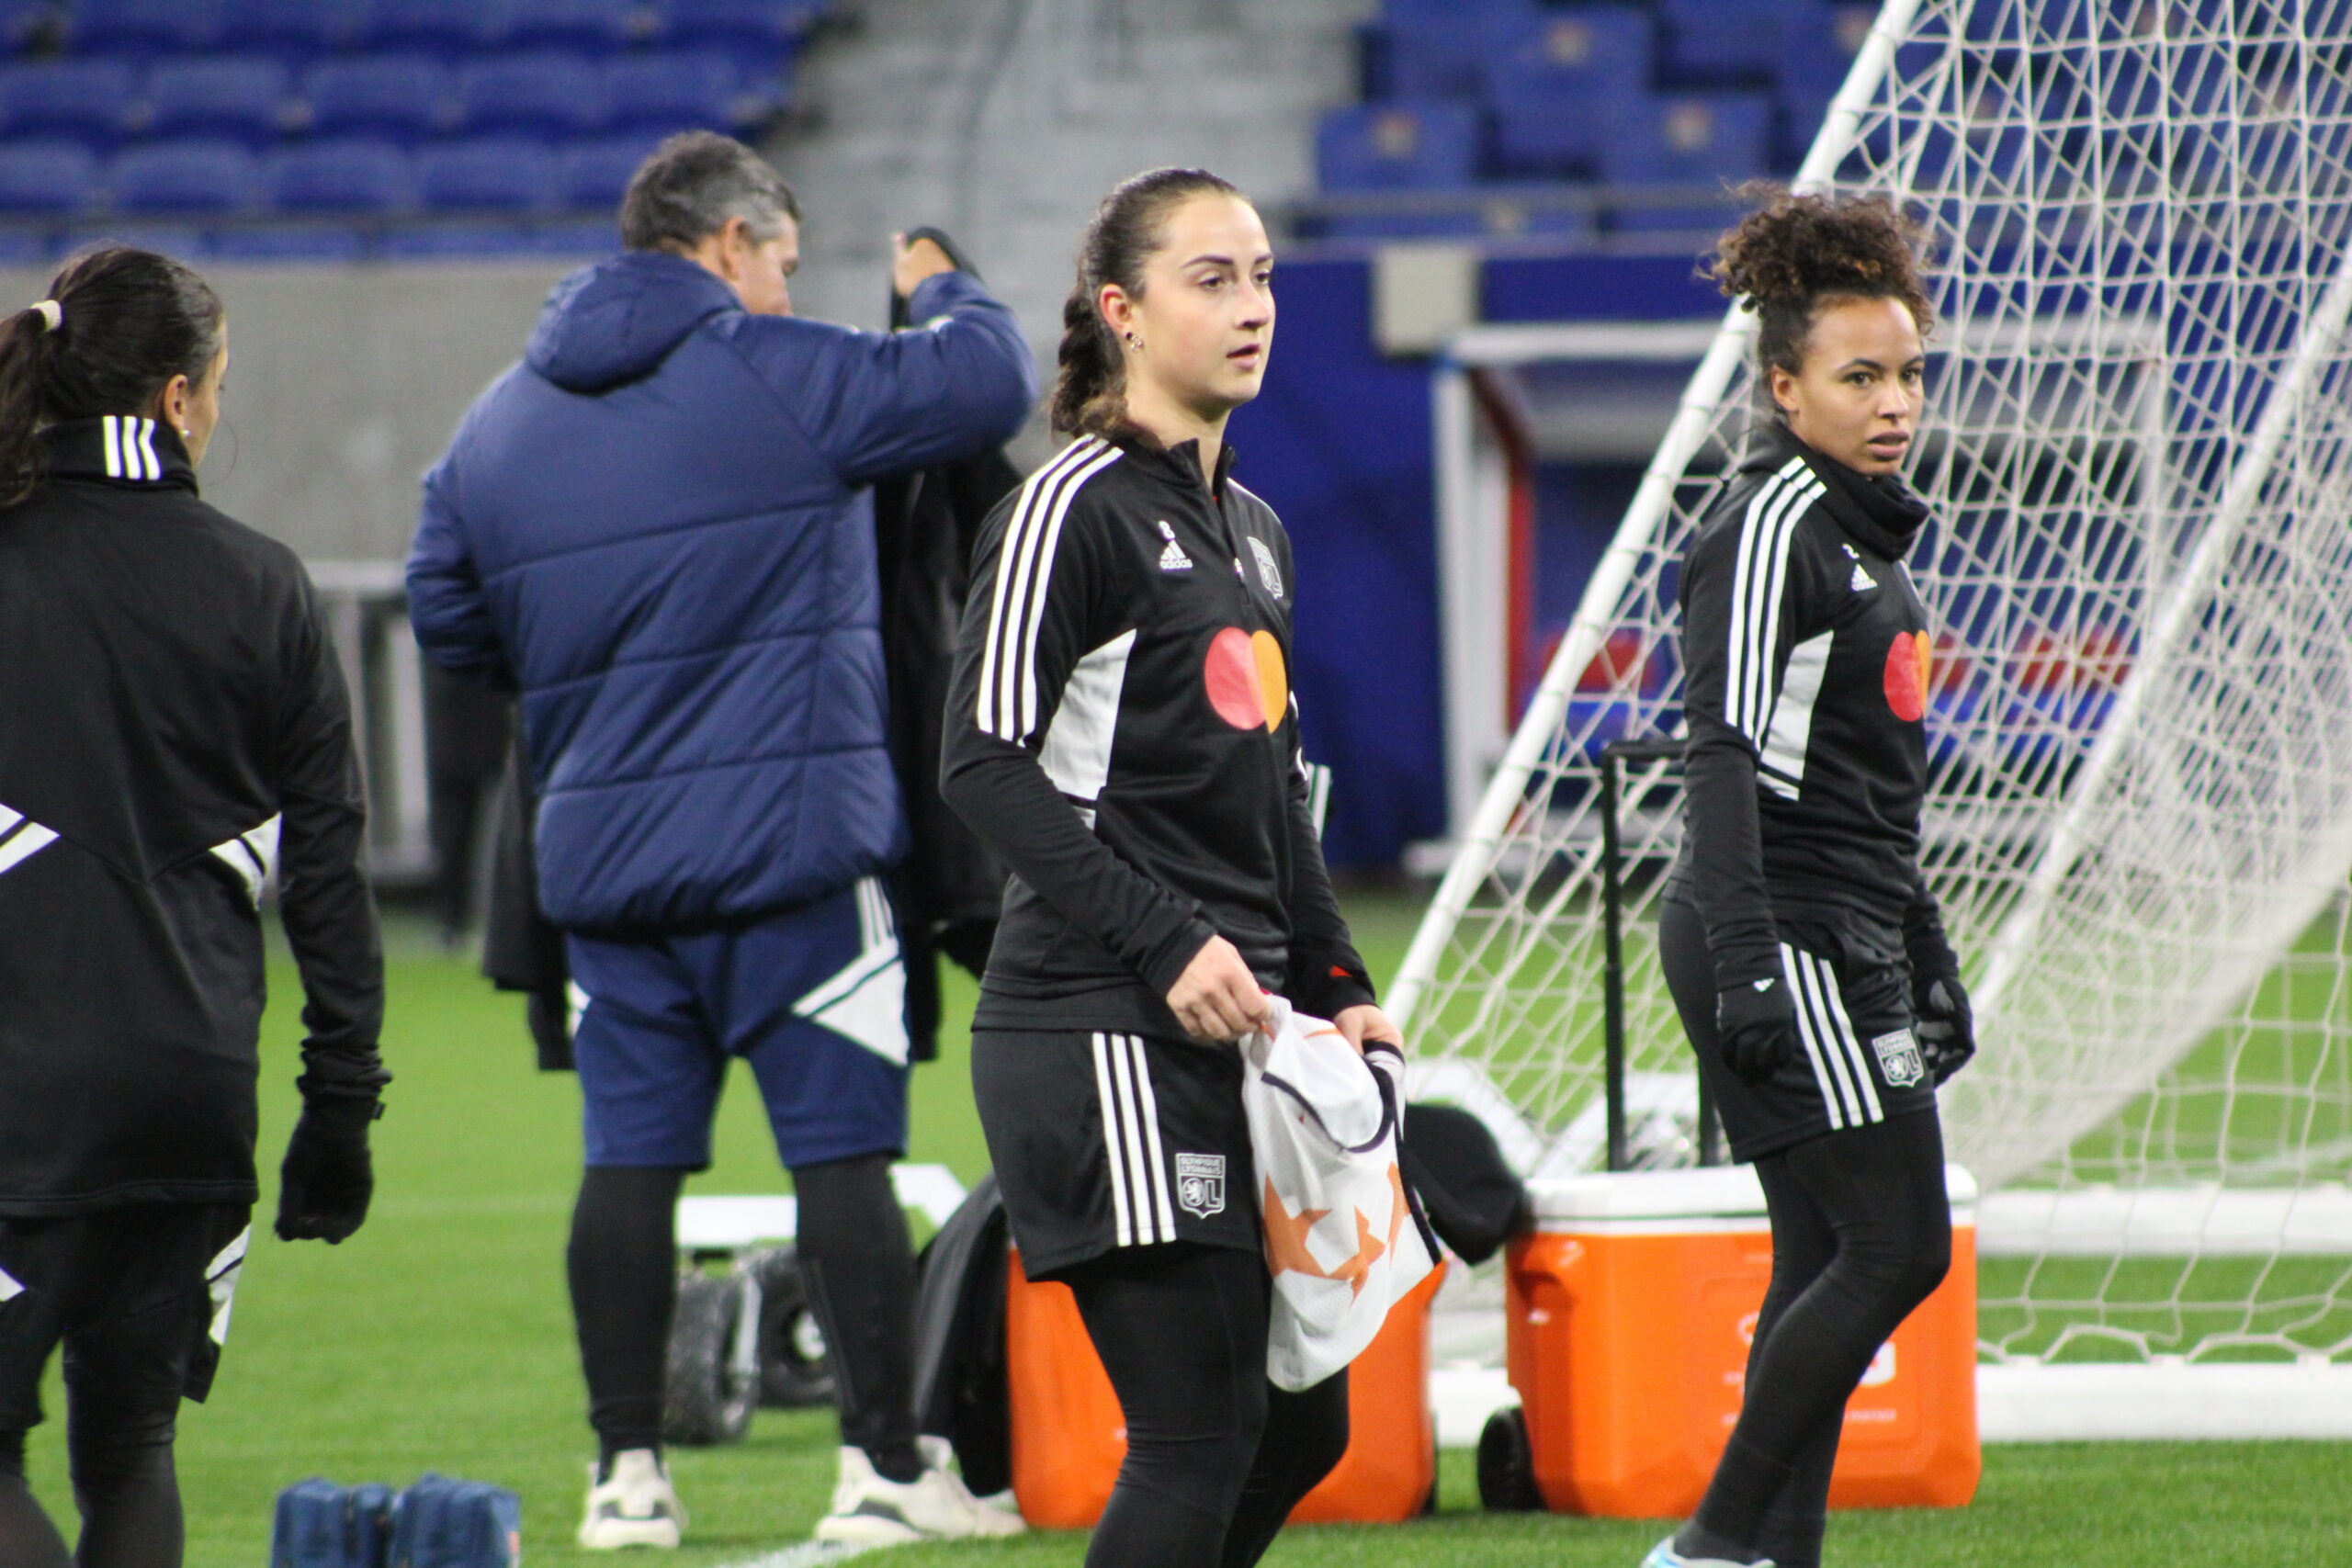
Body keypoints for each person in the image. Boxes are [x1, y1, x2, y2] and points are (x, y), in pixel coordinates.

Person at [404, 131, 1035, 1551]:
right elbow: (986, 382)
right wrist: (944, 286)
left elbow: (450, 619)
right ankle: (882, 1468)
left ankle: (629, 1482)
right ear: (732, 244)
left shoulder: (496, 426)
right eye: (786, 267)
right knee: (841, 1165)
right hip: (797, 865)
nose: (789, 291)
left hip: (608, 884)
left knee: (627, 1167)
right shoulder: (782, 371)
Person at [940, 166, 1400, 1568]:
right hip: (1097, 1025)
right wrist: (1163, 941)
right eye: (1213, 279)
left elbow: (1276, 809)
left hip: (1243, 1035)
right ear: (1122, 312)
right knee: (1199, 1427)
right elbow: (981, 765)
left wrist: (1338, 981)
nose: (1253, 306)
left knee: (1302, 1430)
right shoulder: (1065, 506)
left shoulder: (1254, 532)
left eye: (1261, 275)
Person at [0, 246, 388, 1568]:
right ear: (177, 400)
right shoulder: (265, 584)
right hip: (193, 1098)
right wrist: (339, 1109)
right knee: (133, 1452)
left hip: (20, 1103)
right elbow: (330, 874)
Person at [1651, 191, 1973, 1568]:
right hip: (1780, 931)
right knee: (1899, 1250)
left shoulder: (1862, 537)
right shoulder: (1774, 521)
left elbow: (1866, 798)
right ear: (1785, 389)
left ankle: (1774, 1558)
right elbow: (1720, 757)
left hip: (1843, 928)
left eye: (1907, 373)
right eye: (1859, 376)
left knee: (1821, 1254)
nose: (1893, 401)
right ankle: (1714, 1545)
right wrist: (1744, 966)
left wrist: (1929, 946)